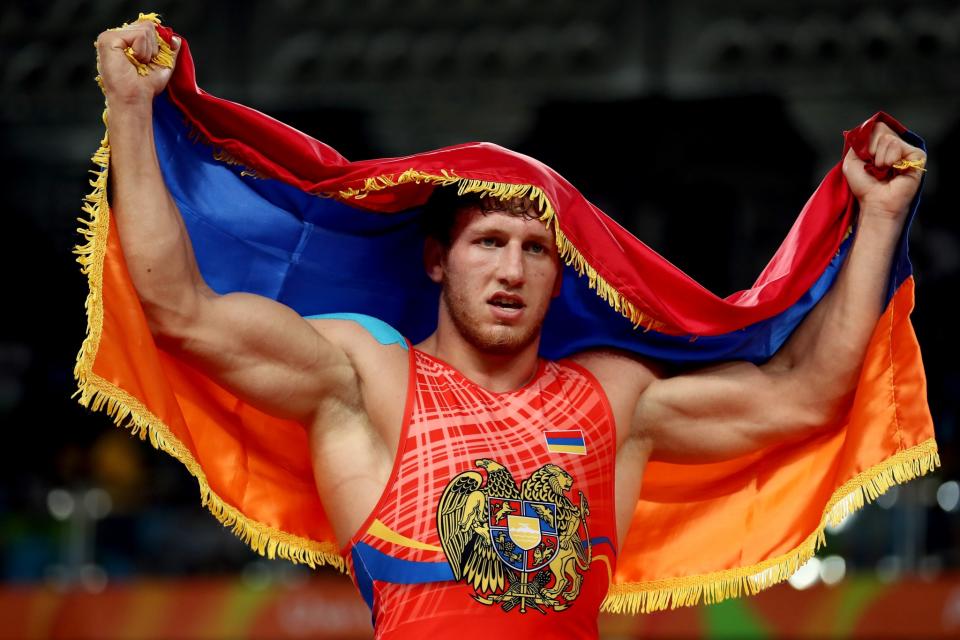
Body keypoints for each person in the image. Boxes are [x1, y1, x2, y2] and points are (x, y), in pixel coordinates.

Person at [92, 17, 929, 639]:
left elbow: (806, 395)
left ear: (561, 273)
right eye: (488, 242)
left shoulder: (612, 399)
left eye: (536, 248)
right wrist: (131, 108)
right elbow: (179, 311)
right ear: (436, 261)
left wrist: (882, 215)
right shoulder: (366, 380)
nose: (513, 269)